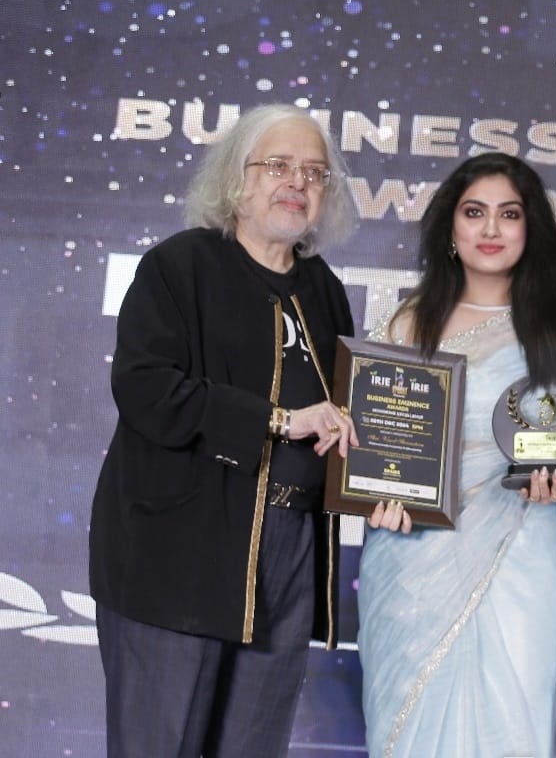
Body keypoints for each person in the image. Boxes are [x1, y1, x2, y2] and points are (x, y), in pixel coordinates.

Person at [88, 103, 360, 757]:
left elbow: (343, 416)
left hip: (290, 549)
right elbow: (147, 389)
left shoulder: (324, 289)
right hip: (181, 552)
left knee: (253, 745)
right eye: (278, 166)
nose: (297, 183)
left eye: (314, 173)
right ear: (237, 178)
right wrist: (276, 421)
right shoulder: (179, 266)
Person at [357, 152, 556, 757]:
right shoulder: (407, 324)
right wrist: (377, 495)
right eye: (473, 212)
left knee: (517, 718)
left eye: (509, 214)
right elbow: (378, 443)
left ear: (532, 230)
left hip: (525, 551)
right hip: (411, 558)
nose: (490, 229)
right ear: (450, 226)